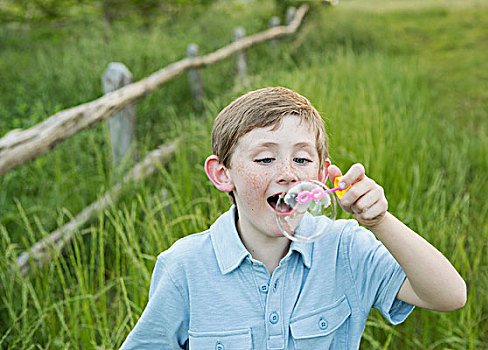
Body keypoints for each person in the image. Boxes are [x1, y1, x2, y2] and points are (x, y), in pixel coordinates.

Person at [120, 87, 466, 349]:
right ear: (223, 175)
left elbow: (448, 295)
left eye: (301, 160)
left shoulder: (345, 247)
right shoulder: (185, 266)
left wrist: (380, 222)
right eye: (265, 159)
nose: (287, 173)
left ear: (322, 174)